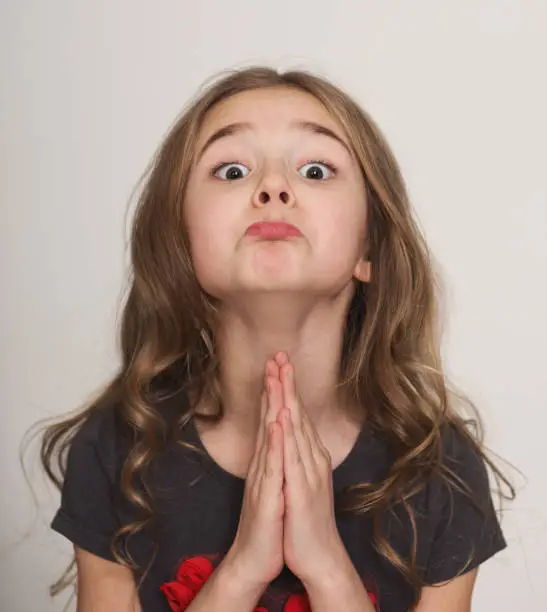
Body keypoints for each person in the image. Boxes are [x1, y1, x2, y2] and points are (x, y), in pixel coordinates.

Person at [40, 66, 514, 611]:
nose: (272, 187)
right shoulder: (118, 449)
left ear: (370, 251)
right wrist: (242, 570)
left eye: (316, 169)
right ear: (180, 246)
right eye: (232, 169)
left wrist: (329, 572)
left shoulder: (439, 469)